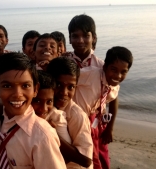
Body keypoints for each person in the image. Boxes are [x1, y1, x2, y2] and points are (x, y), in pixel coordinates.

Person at [0, 52, 66, 168]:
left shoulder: (43, 136)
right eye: (7, 86)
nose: (17, 94)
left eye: (25, 86)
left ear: (35, 89)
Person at [64, 14, 119, 169]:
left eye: (85, 36)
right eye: (75, 36)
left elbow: (113, 97)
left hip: (95, 122)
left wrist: (110, 127)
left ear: (93, 38)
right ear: (69, 39)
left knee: (99, 159)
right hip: (69, 120)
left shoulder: (102, 67)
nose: (80, 40)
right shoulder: (64, 63)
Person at [73, 46, 133, 169]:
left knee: (102, 155)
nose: (118, 75)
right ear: (104, 67)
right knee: (90, 156)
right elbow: (67, 77)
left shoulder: (114, 84)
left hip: (98, 121)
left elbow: (114, 99)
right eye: (114, 69)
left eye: (123, 72)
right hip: (81, 120)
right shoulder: (90, 73)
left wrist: (109, 128)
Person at [47, 57, 94, 169]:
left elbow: (85, 160)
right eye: (58, 85)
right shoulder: (42, 108)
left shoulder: (77, 116)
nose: (64, 93)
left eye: (70, 87)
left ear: (76, 87)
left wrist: (52, 135)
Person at [32, 70, 71, 143]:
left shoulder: (56, 117)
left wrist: (50, 133)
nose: (44, 109)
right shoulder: (19, 116)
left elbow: (67, 153)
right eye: (37, 101)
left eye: (49, 102)